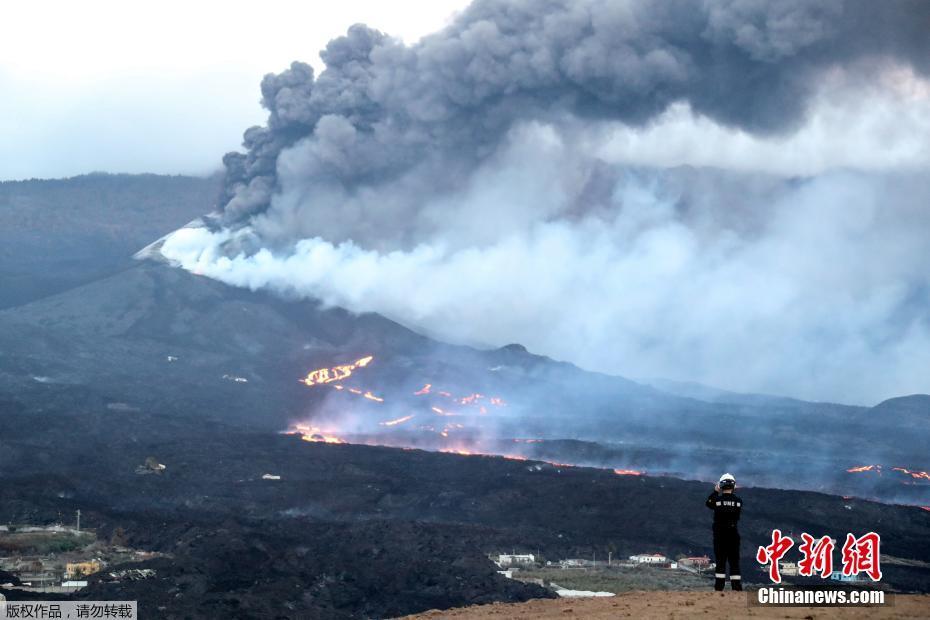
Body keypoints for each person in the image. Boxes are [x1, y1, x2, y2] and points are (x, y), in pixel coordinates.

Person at [705, 472, 742, 591]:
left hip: (720, 536)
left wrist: (716, 491)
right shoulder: (738, 501)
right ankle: (736, 588)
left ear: (721, 485)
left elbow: (709, 503)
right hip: (733, 536)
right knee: (734, 562)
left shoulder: (717, 501)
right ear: (733, 486)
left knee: (720, 562)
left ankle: (719, 587)